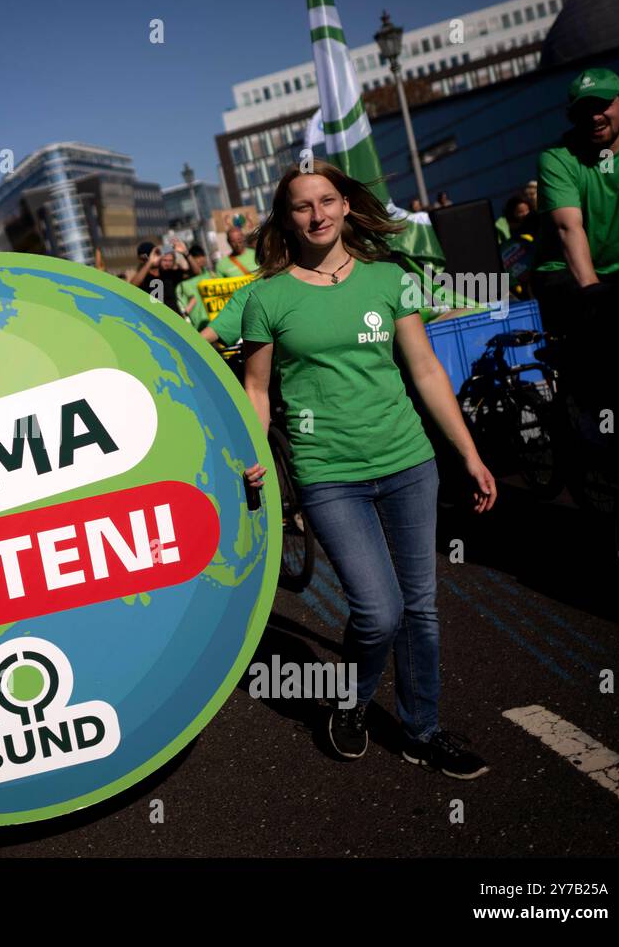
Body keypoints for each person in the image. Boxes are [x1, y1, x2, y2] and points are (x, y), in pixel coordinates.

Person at [240, 159, 497, 779]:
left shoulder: (390, 279)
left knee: (420, 607)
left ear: (346, 206)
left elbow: (427, 370)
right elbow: (256, 390)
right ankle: (352, 703)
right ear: (287, 219)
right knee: (378, 610)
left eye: (327, 201)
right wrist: (254, 456)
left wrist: (468, 451)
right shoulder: (265, 297)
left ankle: (421, 730)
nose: (317, 214)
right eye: (303, 206)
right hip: (329, 474)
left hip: (409, 461)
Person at [534, 67, 619, 341]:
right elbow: (568, 229)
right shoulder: (557, 160)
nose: (595, 117)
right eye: (585, 109)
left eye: (603, 105)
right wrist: (593, 291)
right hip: (569, 271)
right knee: (603, 315)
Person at [129, 240, 192, 312]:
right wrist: (150, 262)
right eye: (145, 258)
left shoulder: (168, 274)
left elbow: (195, 272)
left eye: (156, 255)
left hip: (175, 319)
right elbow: (132, 286)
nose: (154, 258)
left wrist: (186, 254)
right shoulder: (142, 277)